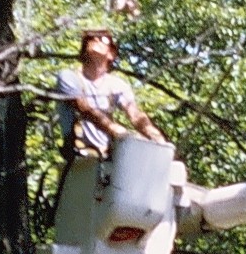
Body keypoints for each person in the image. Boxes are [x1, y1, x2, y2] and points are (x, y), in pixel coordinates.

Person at [55, 29, 166, 158]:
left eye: (103, 39)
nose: (96, 39)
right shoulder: (68, 77)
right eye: (90, 38)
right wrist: (115, 129)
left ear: (111, 54)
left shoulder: (117, 85)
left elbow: (135, 115)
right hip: (78, 162)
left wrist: (154, 135)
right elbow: (84, 108)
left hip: (105, 159)